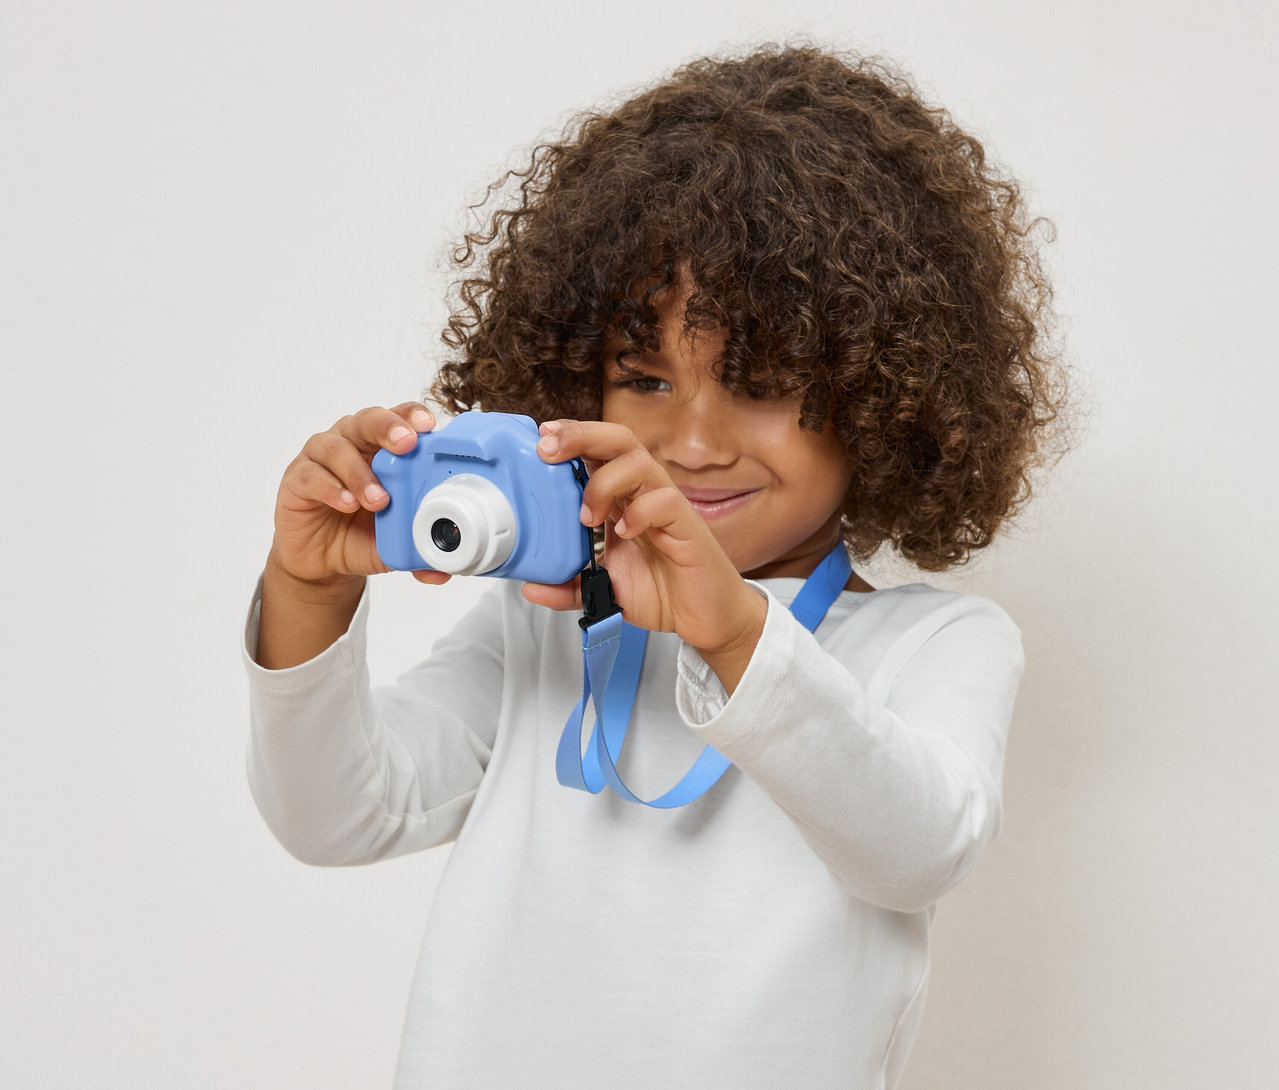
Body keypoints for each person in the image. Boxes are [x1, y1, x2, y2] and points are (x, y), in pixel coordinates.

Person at [244, 44, 1070, 1089]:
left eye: (760, 381)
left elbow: (914, 849)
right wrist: (310, 589)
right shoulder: (542, 623)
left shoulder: (936, 644)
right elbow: (337, 814)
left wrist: (730, 630)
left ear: (886, 397)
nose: (691, 439)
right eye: (641, 377)